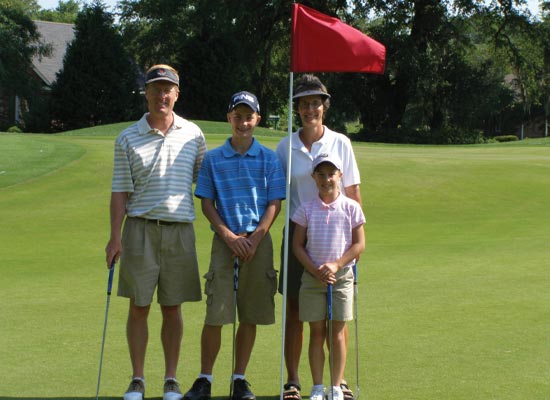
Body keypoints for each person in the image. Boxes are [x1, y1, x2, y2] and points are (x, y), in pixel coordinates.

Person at [105, 64, 207, 400]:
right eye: (156, 89)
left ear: (177, 94)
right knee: (139, 306)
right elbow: (120, 190)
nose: (162, 95)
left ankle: (171, 380)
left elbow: (202, 182)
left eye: (168, 89)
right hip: (139, 230)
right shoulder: (127, 137)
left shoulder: (194, 135)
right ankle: (137, 379)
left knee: (173, 306)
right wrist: (115, 236)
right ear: (146, 93)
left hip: (179, 230)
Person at [183, 91, 286, 400]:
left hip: (258, 241)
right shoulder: (213, 159)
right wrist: (228, 236)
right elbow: (207, 203)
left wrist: (254, 238)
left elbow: (274, 204)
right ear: (229, 118)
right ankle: (205, 378)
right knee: (217, 313)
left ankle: (239, 379)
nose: (243, 122)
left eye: (249, 116)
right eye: (237, 116)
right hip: (224, 241)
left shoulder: (269, 158)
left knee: (250, 314)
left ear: (257, 119)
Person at [276, 74, 362, 400]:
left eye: (316, 102)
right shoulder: (286, 145)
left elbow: (353, 191)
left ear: (324, 107)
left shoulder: (341, 142)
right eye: (304, 103)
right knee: (297, 312)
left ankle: (337, 381)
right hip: (299, 239)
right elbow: (277, 196)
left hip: (338, 239)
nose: (310, 108)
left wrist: (356, 242)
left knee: (335, 316)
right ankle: (294, 381)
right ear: (297, 108)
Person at [291, 153, 365, 400]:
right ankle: (317, 387)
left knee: (336, 333)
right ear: (313, 177)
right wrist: (315, 270)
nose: (326, 179)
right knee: (316, 333)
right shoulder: (306, 209)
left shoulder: (351, 207)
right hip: (313, 279)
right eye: (320, 174)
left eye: (331, 174)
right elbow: (297, 246)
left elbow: (359, 244)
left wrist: (335, 265)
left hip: (341, 277)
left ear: (340, 176)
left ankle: (335, 386)